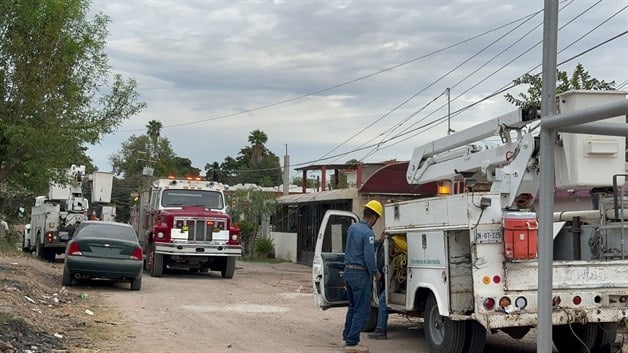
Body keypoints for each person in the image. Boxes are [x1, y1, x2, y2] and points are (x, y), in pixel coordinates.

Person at [342, 200, 383, 353]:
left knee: (352, 308)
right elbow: (368, 257)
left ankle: (347, 337)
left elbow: (359, 247)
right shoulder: (368, 232)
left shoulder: (353, 228)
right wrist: (376, 273)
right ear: (373, 217)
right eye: (377, 219)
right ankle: (352, 343)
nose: (375, 222)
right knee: (362, 310)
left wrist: (378, 241)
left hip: (348, 272)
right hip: (360, 275)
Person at [367, 232, 388, 340]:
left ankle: (381, 330)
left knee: (383, 299)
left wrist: (375, 273)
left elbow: (369, 256)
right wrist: (380, 242)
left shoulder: (365, 233)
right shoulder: (366, 233)